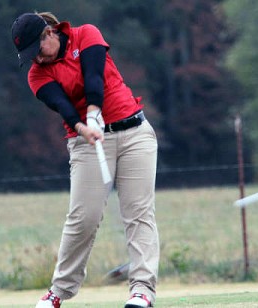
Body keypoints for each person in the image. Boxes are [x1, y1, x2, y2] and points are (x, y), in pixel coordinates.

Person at [11, 11, 159, 308]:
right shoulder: (37, 75)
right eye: (30, 56)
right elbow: (62, 105)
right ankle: (59, 291)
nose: (37, 59)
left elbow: (94, 77)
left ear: (49, 33)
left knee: (139, 213)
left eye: (38, 50)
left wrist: (94, 111)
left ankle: (142, 290)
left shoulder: (86, 34)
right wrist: (83, 126)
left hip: (134, 133)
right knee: (83, 218)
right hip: (86, 142)